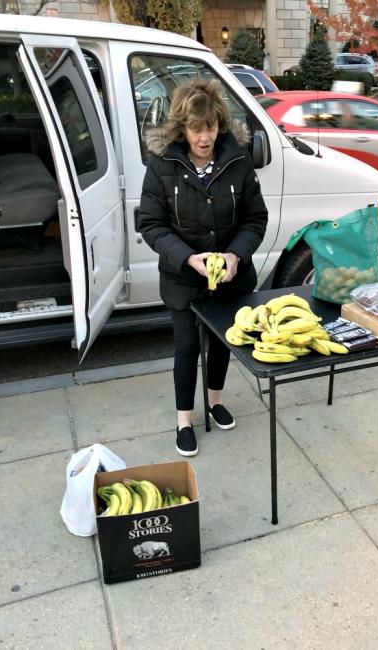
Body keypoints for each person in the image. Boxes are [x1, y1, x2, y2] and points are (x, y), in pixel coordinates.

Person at [138, 79, 268, 457]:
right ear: (182, 127)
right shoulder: (162, 165)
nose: (204, 137)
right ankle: (184, 419)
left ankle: (215, 401)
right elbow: (152, 224)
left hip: (230, 277)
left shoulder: (238, 160)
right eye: (196, 129)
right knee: (187, 347)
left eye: (210, 127)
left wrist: (235, 256)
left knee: (224, 342)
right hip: (183, 278)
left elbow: (255, 219)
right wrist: (187, 257)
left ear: (219, 124)